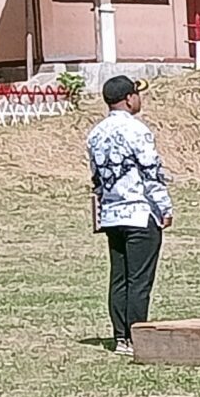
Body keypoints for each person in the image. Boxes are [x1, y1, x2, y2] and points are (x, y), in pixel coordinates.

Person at [86, 74, 173, 353]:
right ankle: (137, 336)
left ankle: (120, 336)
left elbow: (96, 178)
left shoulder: (96, 134)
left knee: (119, 278)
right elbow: (151, 172)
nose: (139, 98)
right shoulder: (137, 130)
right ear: (128, 98)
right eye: (137, 94)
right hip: (139, 212)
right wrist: (164, 207)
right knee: (139, 279)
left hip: (112, 214)